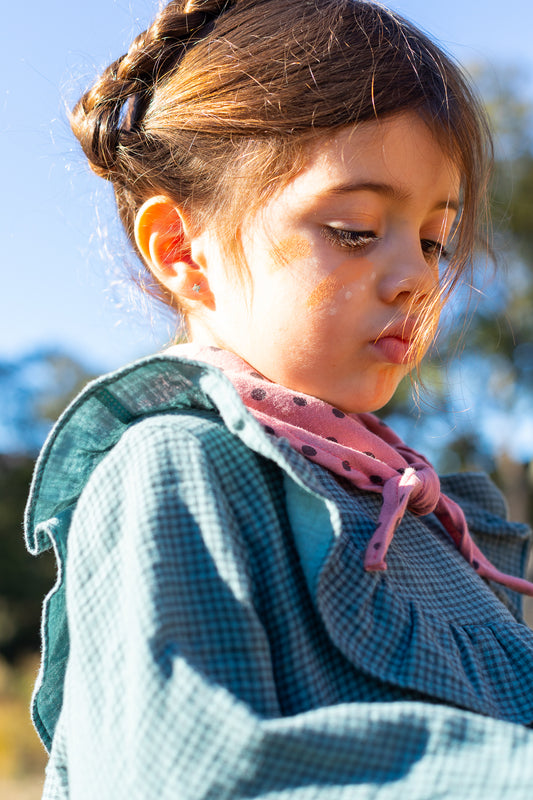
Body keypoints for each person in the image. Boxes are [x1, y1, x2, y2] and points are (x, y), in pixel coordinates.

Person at [25, 0, 533, 797]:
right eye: (355, 230)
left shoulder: (434, 520)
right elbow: (185, 775)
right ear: (182, 250)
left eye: (434, 240)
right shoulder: (177, 467)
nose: (417, 277)